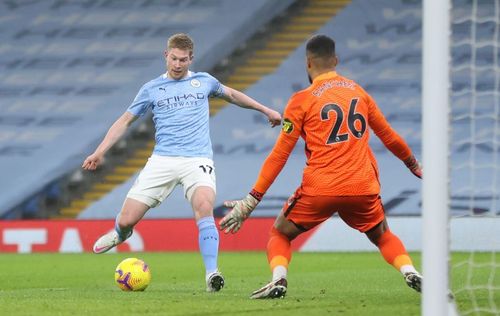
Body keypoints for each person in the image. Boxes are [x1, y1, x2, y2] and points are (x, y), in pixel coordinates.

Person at [220, 34, 423, 299]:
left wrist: (251, 200)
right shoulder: (358, 92)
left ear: (308, 64)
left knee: (279, 232)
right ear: (335, 60)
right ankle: (410, 271)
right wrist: (413, 165)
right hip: (362, 185)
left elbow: (279, 155)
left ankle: (278, 280)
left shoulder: (301, 100)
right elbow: (390, 137)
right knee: (382, 235)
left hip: (320, 188)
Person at [82, 33, 282, 293]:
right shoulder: (151, 88)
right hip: (162, 160)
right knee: (127, 219)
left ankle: (212, 273)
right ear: (166, 56)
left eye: (183, 60)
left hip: (197, 159)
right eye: (174, 59)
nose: (178, 64)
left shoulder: (204, 82)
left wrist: (266, 110)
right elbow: (124, 121)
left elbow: (232, 95)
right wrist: (99, 152)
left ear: (191, 59)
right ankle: (121, 233)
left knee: (204, 206)